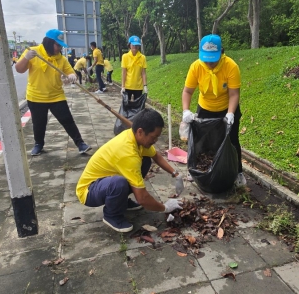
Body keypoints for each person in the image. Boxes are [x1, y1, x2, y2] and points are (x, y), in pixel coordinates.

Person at [76, 108, 184, 232]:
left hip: (104, 182)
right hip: (89, 191)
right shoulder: (127, 152)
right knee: (119, 183)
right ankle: (112, 215)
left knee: (145, 160)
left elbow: (156, 156)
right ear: (140, 132)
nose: (155, 141)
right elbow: (142, 198)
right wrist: (164, 207)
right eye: (154, 137)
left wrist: (176, 174)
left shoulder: (135, 138)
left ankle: (121, 202)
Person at [181, 34, 246, 187]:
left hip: (227, 108)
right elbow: (187, 91)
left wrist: (230, 113)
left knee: (232, 141)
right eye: (206, 59)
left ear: (221, 53)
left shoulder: (231, 66)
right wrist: (185, 111)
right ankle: (199, 172)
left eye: (213, 58)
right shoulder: (196, 66)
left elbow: (234, 94)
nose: (209, 63)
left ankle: (237, 172)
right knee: (202, 141)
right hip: (205, 108)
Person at [15, 29, 91, 156]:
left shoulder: (61, 58)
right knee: (39, 123)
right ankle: (38, 144)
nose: (59, 48)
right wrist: (26, 59)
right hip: (36, 96)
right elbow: (19, 69)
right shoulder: (33, 52)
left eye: (61, 45)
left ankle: (80, 144)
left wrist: (72, 76)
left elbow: (70, 72)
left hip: (56, 96)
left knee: (67, 120)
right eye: (57, 45)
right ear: (49, 42)